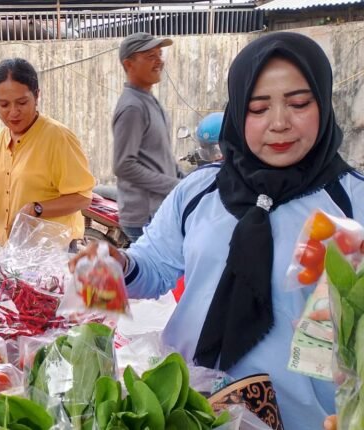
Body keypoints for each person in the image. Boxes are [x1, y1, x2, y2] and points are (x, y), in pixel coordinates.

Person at [73, 32, 362, 429]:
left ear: (324, 103)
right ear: (237, 110)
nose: (279, 123)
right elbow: (153, 267)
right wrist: (112, 266)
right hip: (190, 413)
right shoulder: (200, 189)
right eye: (258, 108)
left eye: (299, 103)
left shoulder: (353, 204)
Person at [0, 58, 95, 248]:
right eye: (4, 105)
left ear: (37, 96)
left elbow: (82, 197)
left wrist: (37, 209)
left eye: (22, 102)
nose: (13, 112)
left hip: (51, 255)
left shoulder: (58, 137)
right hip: (7, 254)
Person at [112, 32, 182, 243]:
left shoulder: (147, 99)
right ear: (129, 64)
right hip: (145, 216)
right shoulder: (133, 106)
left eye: (160, 54)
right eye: (150, 56)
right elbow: (124, 165)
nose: (159, 61)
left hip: (159, 209)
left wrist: (184, 180)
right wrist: (173, 185)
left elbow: (161, 155)